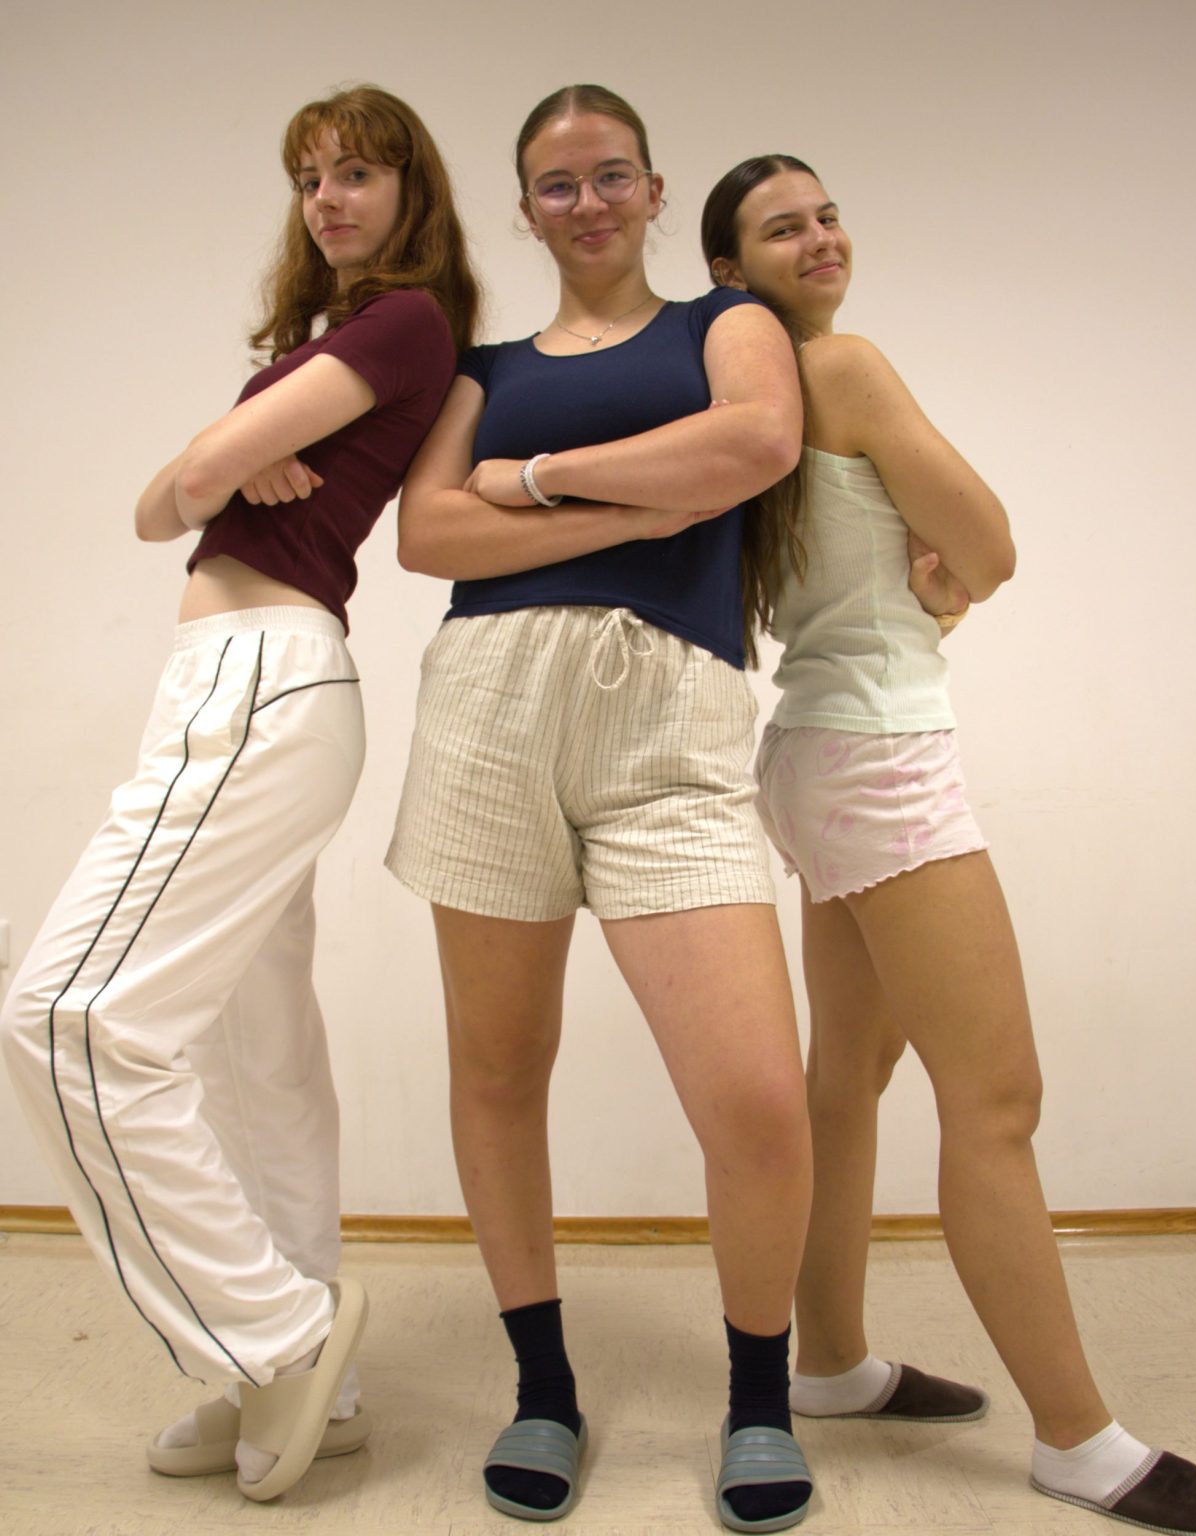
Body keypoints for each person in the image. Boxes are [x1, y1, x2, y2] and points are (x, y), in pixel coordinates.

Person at [700, 154, 1196, 1536]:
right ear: (729, 271)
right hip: (880, 757)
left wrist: (937, 587)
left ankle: (828, 1364)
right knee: (996, 1103)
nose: (821, 238)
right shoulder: (844, 367)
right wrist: (951, 580)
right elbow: (989, 543)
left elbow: (916, 578)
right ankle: (1078, 1441)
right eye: (782, 229)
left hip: (815, 747)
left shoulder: (751, 402)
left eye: (826, 214)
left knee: (847, 1081)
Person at [1, 84, 478, 1504]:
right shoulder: (317, 346)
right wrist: (219, 459)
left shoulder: (403, 324)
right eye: (310, 177)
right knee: (249, 1052)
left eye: (358, 173)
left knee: (69, 1017)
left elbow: (188, 482)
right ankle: (295, 1370)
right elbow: (157, 506)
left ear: (411, 191)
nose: (329, 198)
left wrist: (223, 455)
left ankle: (278, 1336)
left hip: (260, 680)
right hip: (244, 680)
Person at [386, 85, 814, 1532]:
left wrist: (539, 481)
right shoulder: (484, 365)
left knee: (756, 1097)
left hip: (668, 725)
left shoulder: (720, 325)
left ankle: (759, 1399)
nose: (588, 203)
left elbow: (753, 444)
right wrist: (642, 508)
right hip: (487, 716)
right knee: (501, 1068)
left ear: (652, 189)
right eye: (558, 185)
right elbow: (426, 532)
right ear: (525, 210)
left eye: (611, 175)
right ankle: (543, 1388)